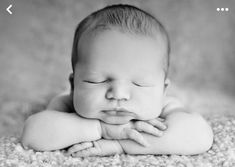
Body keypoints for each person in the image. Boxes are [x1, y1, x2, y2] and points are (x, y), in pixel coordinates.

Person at [21, 4, 213, 157]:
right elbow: (33, 135)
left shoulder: (165, 105)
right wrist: (102, 129)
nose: (119, 94)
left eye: (140, 83)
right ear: (73, 85)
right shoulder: (67, 103)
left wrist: (121, 144)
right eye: (96, 81)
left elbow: (199, 136)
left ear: (163, 90)